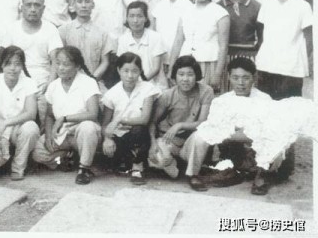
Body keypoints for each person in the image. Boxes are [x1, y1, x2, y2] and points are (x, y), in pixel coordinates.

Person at [195, 57, 304, 195]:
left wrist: (237, 132)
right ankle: (235, 171)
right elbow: (215, 131)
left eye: (245, 78)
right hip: (239, 149)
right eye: (235, 78)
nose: (240, 83)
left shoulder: (264, 100)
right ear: (229, 77)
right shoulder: (222, 101)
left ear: (254, 78)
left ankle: (262, 175)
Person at [32, 46, 101, 185]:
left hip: (81, 133)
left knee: (88, 127)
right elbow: (49, 115)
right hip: (62, 134)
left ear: (77, 66)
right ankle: (67, 157)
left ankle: (84, 169)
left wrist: (64, 118)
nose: (61, 68)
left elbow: (93, 114)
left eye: (66, 64)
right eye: (57, 63)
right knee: (38, 152)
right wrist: (49, 136)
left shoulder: (88, 83)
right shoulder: (53, 86)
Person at [147, 55, 214, 190]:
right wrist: (153, 144)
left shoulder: (206, 91)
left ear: (196, 75)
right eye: (181, 74)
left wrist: (180, 125)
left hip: (191, 140)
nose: (185, 79)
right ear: (175, 76)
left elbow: (203, 122)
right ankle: (176, 164)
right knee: (157, 159)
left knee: (202, 136)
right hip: (170, 140)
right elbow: (152, 122)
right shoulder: (167, 95)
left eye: (190, 74)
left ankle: (192, 175)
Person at [0, 46, 39, 180]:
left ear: (22, 66)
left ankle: (18, 168)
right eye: (8, 63)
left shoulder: (29, 83)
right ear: (2, 65)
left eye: (17, 64)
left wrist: (6, 123)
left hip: (16, 128)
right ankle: (1, 160)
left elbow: (31, 113)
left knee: (31, 128)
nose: (13, 68)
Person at [255, 0, 312, 100]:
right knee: (264, 103)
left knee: (288, 106)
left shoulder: (302, 6)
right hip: (266, 64)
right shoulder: (267, 4)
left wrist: (303, 60)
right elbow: (261, 35)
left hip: (291, 67)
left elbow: (310, 39)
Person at [4, 0, 63, 122]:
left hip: (42, 83)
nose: (33, 9)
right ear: (21, 7)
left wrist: (49, 85)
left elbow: (55, 61)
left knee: (43, 110)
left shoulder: (51, 29)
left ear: (43, 8)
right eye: (28, 5)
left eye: (37, 5)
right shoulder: (11, 29)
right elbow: (5, 61)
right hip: (16, 80)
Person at [101, 52, 159, 185]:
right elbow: (105, 124)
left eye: (134, 71)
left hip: (140, 135)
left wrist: (120, 120)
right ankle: (125, 161)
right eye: (125, 71)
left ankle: (137, 168)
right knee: (112, 154)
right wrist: (107, 139)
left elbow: (144, 119)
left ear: (140, 71)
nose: (130, 75)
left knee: (138, 129)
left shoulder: (148, 89)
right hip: (119, 136)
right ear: (118, 70)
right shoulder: (111, 94)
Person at [170, 0, 230, 93]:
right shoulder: (186, 11)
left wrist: (218, 74)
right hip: (185, 64)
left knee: (206, 98)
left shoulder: (220, 13)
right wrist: (172, 68)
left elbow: (223, 46)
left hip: (209, 64)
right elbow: (178, 41)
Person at [58, 0, 112, 86]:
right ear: (74, 5)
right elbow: (58, 60)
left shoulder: (102, 32)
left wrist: (92, 80)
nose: (83, 5)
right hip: (68, 82)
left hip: (94, 81)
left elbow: (105, 62)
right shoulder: (63, 30)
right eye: (79, 2)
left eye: (87, 1)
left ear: (93, 5)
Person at [219, 0, 262, 90]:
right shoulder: (217, 7)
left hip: (249, 57)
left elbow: (262, 39)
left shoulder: (257, 7)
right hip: (224, 58)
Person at [152, 0, 193, 83]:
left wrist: (172, 65)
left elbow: (182, 38)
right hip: (160, 59)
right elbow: (154, 32)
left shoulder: (188, 7)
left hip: (179, 59)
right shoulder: (160, 6)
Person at [117, 1, 167, 89]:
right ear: (127, 18)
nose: (135, 20)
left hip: (155, 85)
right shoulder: (123, 39)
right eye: (131, 16)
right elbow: (123, 67)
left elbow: (156, 68)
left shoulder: (156, 37)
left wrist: (141, 84)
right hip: (131, 85)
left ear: (146, 18)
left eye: (139, 16)